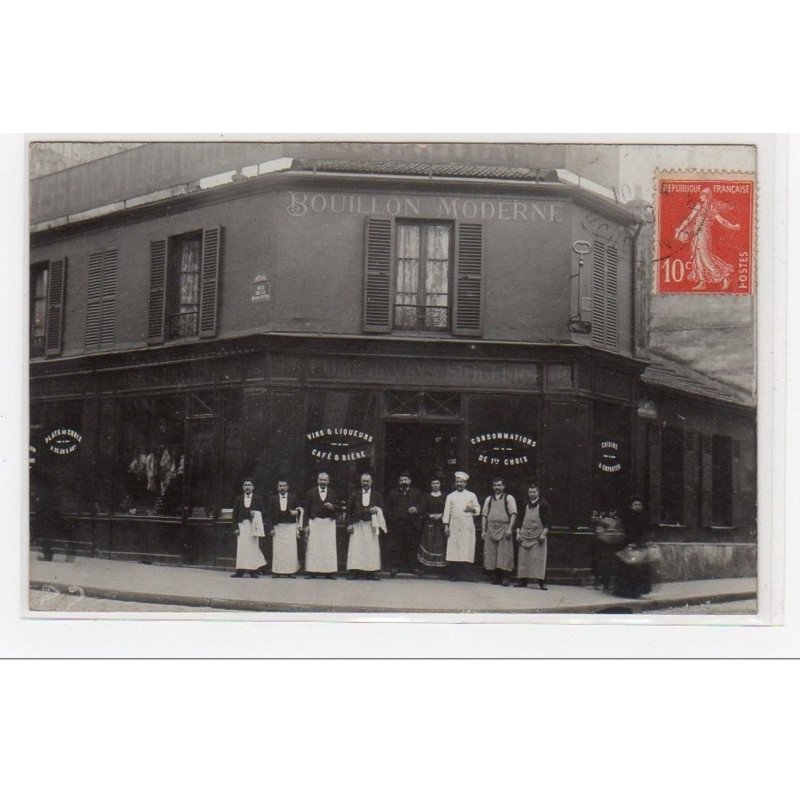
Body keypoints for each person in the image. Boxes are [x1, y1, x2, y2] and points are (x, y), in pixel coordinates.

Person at [674, 187, 740, 291]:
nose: (700, 197)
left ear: (707, 196)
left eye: (702, 195)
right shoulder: (699, 206)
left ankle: (724, 277)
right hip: (697, 235)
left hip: (704, 234)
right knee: (698, 257)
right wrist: (679, 230)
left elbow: (722, 221)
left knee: (705, 257)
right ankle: (702, 282)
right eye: (700, 195)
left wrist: (732, 226)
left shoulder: (711, 207)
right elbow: (689, 219)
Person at [384, 470, 425, 577]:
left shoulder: (416, 492)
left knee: (411, 546)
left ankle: (412, 567)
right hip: (397, 524)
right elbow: (387, 508)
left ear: (410, 481)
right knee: (396, 546)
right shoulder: (392, 492)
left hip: (411, 524)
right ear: (398, 482)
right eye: (401, 480)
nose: (403, 482)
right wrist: (392, 519)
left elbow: (423, 505)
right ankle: (395, 567)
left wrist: (416, 509)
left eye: (405, 480)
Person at [345, 472, 385, 580]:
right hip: (357, 524)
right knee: (356, 549)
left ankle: (371, 573)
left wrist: (376, 510)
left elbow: (383, 509)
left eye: (367, 481)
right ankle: (354, 572)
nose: (365, 483)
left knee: (371, 549)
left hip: (371, 525)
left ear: (371, 482)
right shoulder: (355, 494)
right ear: (360, 482)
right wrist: (349, 524)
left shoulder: (377, 495)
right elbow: (349, 511)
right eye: (363, 481)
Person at [613, 495, 653, 598]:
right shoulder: (627, 517)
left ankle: (637, 591)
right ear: (631, 506)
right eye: (635, 504)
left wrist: (645, 541)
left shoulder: (644, 517)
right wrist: (633, 541)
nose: (638, 506)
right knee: (631, 569)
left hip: (639, 546)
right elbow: (627, 531)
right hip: (629, 545)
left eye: (639, 504)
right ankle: (629, 592)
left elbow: (645, 531)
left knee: (640, 569)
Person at [443, 471, 480, 581]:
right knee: (454, 549)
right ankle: (455, 574)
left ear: (465, 483)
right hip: (454, 525)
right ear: (455, 483)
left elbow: (478, 509)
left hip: (467, 525)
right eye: (457, 482)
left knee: (466, 549)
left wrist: (472, 509)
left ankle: (468, 574)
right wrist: (446, 525)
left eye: (461, 482)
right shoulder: (450, 496)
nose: (459, 484)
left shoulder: (471, 495)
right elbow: (446, 512)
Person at [302, 471, 339, 579]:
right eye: (321, 479)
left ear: (328, 481)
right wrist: (306, 524)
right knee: (314, 547)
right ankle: (313, 572)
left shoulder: (333, 493)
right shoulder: (311, 492)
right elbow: (306, 510)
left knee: (329, 547)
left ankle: (329, 573)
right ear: (317, 480)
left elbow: (339, 508)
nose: (323, 482)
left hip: (328, 522)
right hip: (315, 522)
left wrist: (333, 507)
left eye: (325, 480)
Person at [481, 477, 517, 586]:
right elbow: (484, 515)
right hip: (490, 529)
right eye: (495, 485)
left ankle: (505, 578)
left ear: (503, 486)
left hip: (504, 529)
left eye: (499, 485)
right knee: (492, 553)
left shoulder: (509, 498)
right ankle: (496, 577)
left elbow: (513, 514)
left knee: (504, 553)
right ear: (493, 487)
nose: (497, 487)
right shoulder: (488, 499)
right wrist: (483, 531)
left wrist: (510, 528)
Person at [514, 483, 550, 589]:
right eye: (530, 492)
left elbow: (547, 522)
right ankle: (522, 582)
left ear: (538, 492)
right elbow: (519, 520)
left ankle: (542, 582)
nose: (532, 494)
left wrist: (543, 535)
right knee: (523, 559)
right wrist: (518, 533)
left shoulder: (544, 505)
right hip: (524, 536)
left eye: (534, 492)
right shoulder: (525, 504)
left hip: (538, 537)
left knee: (539, 559)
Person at [230, 478, 267, 578]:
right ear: (243, 487)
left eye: (249, 485)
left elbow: (263, 511)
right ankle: (240, 571)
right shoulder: (239, 499)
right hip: (242, 526)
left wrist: (256, 513)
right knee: (242, 548)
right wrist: (235, 528)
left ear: (253, 487)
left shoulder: (258, 498)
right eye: (245, 485)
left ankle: (253, 571)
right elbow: (235, 515)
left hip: (253, 526)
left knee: (253, 547)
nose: (247, 487)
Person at [266, 479, 302, 578]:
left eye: (284, 486)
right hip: (278, 527)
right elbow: (269, 515)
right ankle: (277, 571)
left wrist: (297, 512)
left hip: (290, 526)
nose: (282, 488)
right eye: (280, 486)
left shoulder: (293, 497)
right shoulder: (273, 499)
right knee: (278, 550)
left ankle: (291, 571)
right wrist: (271, 528)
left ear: (287, 487)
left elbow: (300, 509)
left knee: (291, 550)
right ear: (277, 487)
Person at [416, 477, 447, 571]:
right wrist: (430, 515)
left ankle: (440, 568)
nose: (435, 485)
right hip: (429, 522)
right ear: (430, 485)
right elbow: (422, 509)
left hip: (441, 522)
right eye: (433, 483)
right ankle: (427, 567)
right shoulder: (426, 496)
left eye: (437, 483)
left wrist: (441, 515)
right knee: (428, 543)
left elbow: (448, 508)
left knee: (440, 544)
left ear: (440, 484)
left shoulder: (445, 496)